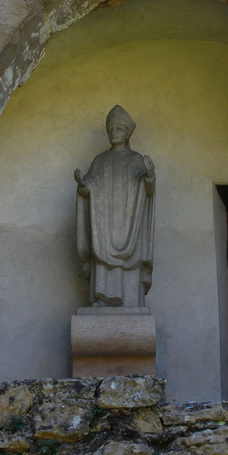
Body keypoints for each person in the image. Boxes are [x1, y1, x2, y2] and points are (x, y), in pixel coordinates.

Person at [74, 105, 155, 307]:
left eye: (118, 129)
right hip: (105, 225)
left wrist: (150, 176)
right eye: (111, 130)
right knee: (102, 257)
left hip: (130, 225)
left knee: (130, 261)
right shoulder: (100, 160)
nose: (113, 133)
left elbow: (148, 192)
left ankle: (131, 300)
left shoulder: (136, 160)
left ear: (127, 134)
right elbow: (90, 185)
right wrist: (83, 186)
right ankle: (102, 298)